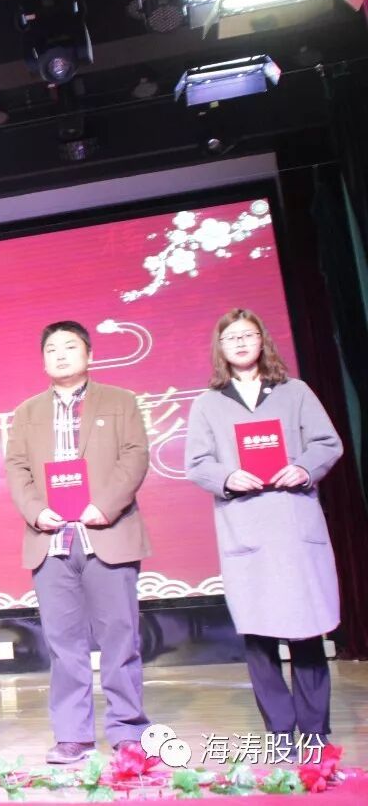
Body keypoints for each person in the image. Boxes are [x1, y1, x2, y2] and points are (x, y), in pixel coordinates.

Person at [185, 308, 343, 747]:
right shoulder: (207, 402)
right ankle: (280, 731)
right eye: (231, 337)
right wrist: (227, 477)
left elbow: (327, 443)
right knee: (259, 635)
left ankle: (315, 733)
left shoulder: (295, 391)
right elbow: (197, 462)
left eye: (248, 335)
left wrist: (304, 468)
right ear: (220, 348)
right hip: (245, 526)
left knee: (307, 631)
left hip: (294, 521)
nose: (240, 343)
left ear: (262, 340)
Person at [4, 321, 152, 764]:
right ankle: (73, 734)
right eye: (52, 349)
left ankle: (127, 730)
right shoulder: (27, 411)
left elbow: (135, 456)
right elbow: (17, 468)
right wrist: (36, 511)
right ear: (43, 360)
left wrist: (105, 506)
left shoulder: (120, 401)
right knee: (64, 644)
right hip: (52, 540)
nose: (61, 355)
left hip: (106, 532)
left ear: (89, 354)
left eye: (70, 346)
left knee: (120, 638)